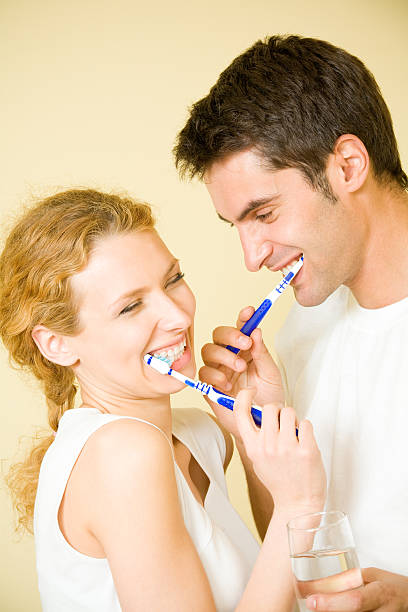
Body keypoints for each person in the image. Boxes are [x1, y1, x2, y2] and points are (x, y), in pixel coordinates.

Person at [1, 188, 326, 612]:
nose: (179, 317)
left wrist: (255, 423)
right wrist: (299, 502)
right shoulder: (122, 454)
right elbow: (290, 524)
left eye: (173, 279)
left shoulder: (199, 435)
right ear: (56, 345)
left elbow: (279, 564)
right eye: (130, 307)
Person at [174, 35, 408, 611]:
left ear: (348, 165)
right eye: (237, 225)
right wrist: (259, 432)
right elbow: (287, 536)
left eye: (264, 213)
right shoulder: (302, 334)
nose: (251, 258)